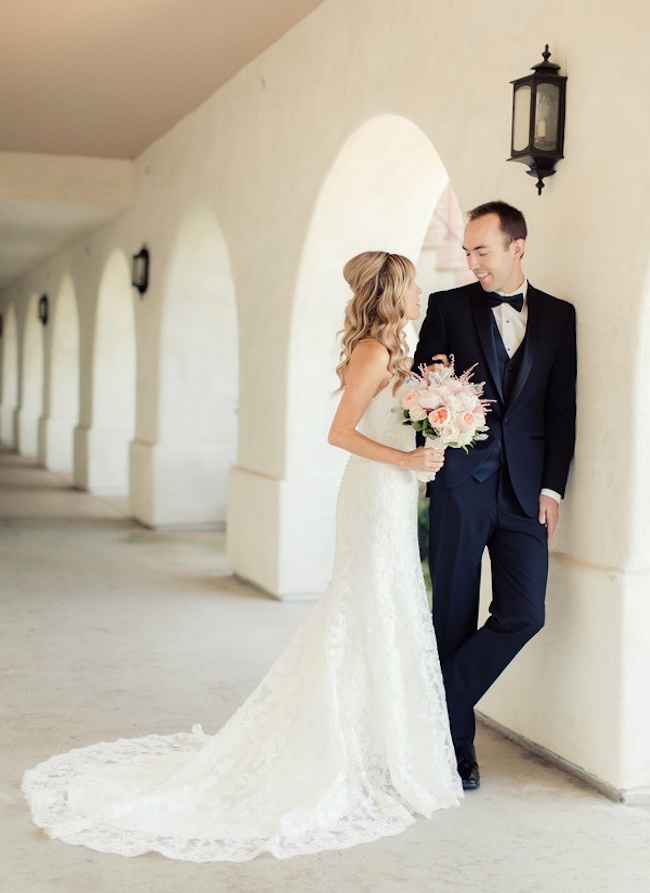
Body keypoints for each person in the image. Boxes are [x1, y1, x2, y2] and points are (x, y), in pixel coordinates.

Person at [22, 251, 461, 863]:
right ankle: (344, 749)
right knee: (364, 606)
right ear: (393, 292)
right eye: (413, 284)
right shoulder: (373, 352)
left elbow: (390, 426)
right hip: (372, 495)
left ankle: (373, 744)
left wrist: (428, 442)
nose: (421, 292)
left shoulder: (398, 352)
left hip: (390, 494)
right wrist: (408, 462)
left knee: (385, 606)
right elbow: (339, 434)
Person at [414, 200, 577, 791]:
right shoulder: (448, 307)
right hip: (462, 485)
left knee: (524, 613)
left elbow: (562, 411)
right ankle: (455, 751)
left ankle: (432, 704)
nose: (472, 261)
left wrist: (553, 488)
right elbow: (419, 389)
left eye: (482, 250)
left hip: (527, 494)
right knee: (451, 615)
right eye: (467, 251)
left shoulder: (560, 317)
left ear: (518, 246)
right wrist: (437, 433)